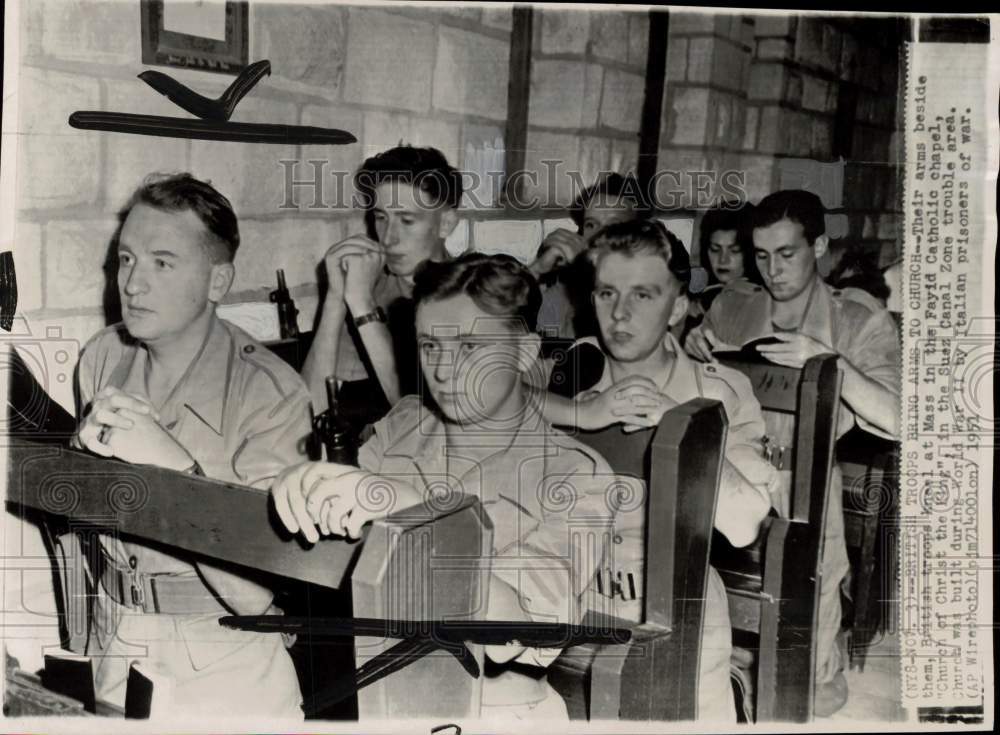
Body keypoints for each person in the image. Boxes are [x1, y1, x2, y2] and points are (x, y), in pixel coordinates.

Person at [272, 254, 618, 720]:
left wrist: (410, 508)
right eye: (431, 346)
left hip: (492, 712)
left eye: (471, 347)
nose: (445, 369)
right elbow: (327, 557)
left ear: (523, 350)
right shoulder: (403, 425)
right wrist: (303, 486)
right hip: (371, 695)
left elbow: (517, 630)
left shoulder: (575, 475)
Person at [71, 173, 308, 717]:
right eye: (126, 259)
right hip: (119, 643)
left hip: (224, 662)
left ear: (217, 281)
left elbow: (254, 596)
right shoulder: (102, 358)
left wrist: (174, 466)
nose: (131, 284)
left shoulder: (269, 394)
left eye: (162, 262)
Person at [541, 220, 775, 721]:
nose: (620, 313)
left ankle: (727, 683)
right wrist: (578, 412)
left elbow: (747, 523)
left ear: (678, 307)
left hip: (671, 620)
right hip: (563, 611)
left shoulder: (720, 392)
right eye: (607, 293)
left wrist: (679, 424)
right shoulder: (573, 369)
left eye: (643, 295)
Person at [685, 189, 901, 716]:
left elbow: (900, 419)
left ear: (820, 246)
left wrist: (830, 364)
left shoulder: (858, 319)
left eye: (787, 254)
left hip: (805, 482)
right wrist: (688, 346)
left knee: (813, 693)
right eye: (761, 255)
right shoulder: (733, 304)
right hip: (729, 472)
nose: (772, 270)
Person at [301, 145, 462, 432]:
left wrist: (362, 306)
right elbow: (310, 407)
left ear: (446, 223)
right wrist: (337, 297)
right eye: (381, 217)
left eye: (407, 220)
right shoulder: (372, 283)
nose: (389, 237)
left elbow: (421, 417)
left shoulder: (471, 291)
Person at [529, 173, 647, 341]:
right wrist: (535, 271)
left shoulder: (647, 292)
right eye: (591, 224)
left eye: (613, 226)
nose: (597, 236)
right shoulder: (561, 292)